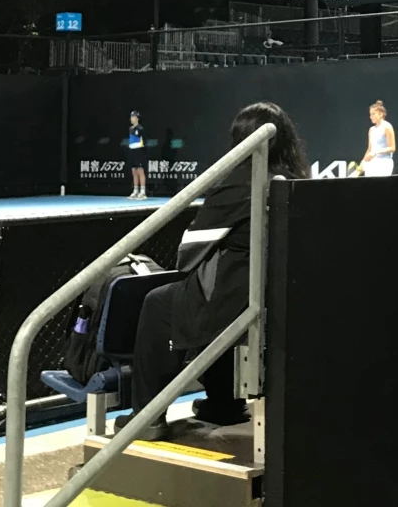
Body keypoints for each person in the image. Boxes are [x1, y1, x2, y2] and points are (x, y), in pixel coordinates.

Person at [115, 102, 309, 440]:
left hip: (242, 303)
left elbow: (189, 249)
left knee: (159, 303)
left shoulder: (237, 183)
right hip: (279, 302)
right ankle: (223, 404)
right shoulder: (296, 182)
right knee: (217, 299)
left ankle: (146, 416)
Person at [362, 100, 396, 176]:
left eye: (373, 114)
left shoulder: (387, 127)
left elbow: (392, 148)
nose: (371, 117)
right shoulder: (371, 130)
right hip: (372, 164)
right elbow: (369, 149)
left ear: (381, 114)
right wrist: (363, 162)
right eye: (370, 114)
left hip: (384, 163)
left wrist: (376, 152)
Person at [127, 110, 147, 199]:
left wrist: (141, 150)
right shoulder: (130, 129)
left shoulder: (140, 129)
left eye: (133, 117)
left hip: (139, 151)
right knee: (134, 172)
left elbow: (144, 141)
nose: (131, 118)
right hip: (132, 151)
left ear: (137, 118)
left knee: (140, 171)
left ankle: (142, 192)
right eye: (131, 117)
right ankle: (135, 191)